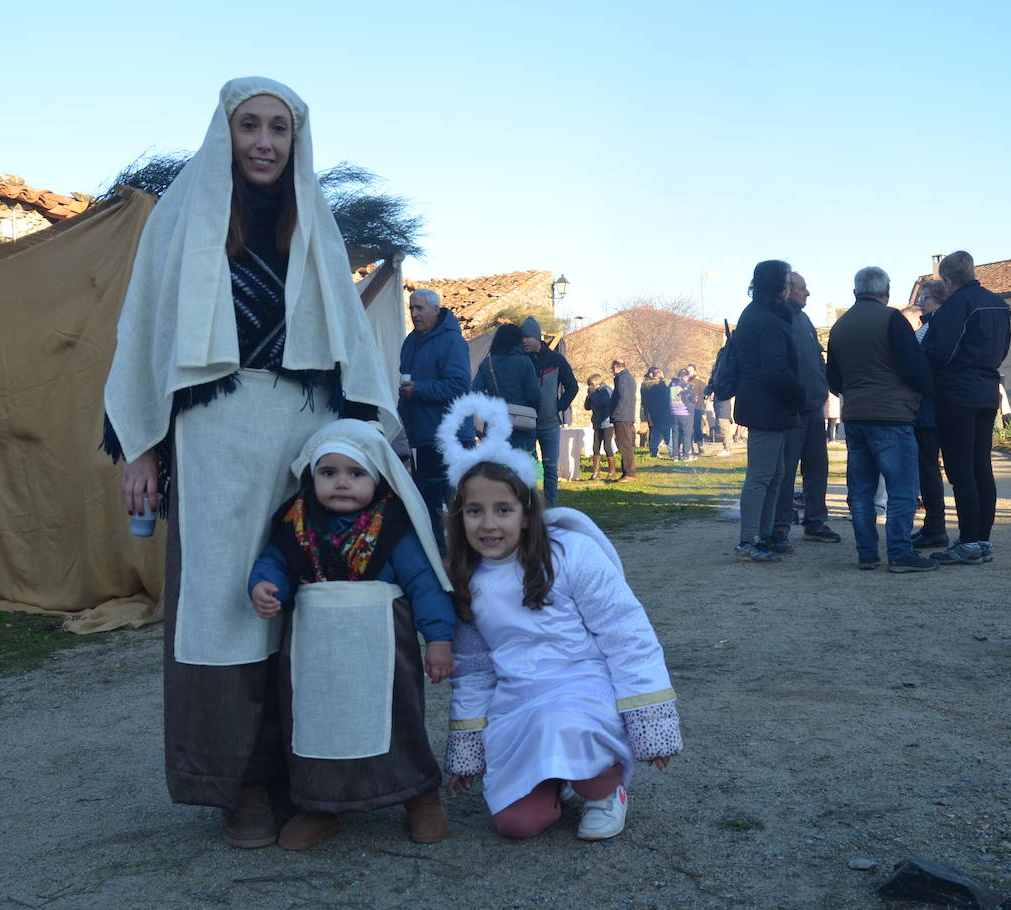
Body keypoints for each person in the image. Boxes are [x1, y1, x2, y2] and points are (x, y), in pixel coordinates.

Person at [102, 77, 400, 849]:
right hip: (213, 435)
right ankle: (241, 788)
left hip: (306, 433)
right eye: (249, 126)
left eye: (278, 128)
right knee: (226, 604)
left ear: (296, 140)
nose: (264, 141)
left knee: (310, 589)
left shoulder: (317, 225)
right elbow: (144, 333)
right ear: (225, 132)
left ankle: (316, 778)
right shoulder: (178, 220)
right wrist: (140, 444)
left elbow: (350, 345)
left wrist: (362, 433)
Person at [433, 394, 682, 841]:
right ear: (460, 516)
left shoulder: (571, 554)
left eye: (503, 510)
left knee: (565, 724)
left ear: (528, 514)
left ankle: (604, 789)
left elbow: (626, 635)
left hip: (581, 691)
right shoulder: (466, 575)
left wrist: (650, 723)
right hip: (518, 702)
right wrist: (468, 748)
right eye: (475, 511)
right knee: (516, 825)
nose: (488, 524)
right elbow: (472, 669)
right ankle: (556, 778)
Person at [246, 420, 454, 849]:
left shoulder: (394, 526)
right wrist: (264, 586)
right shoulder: (295, 522)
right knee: (315, 721)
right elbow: (276, 563)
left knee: (399, 718)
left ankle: (418, 794)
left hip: (383, 646)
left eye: (355, 473)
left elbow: (424, 583)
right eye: (329, 473)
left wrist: (438, 638)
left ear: (377, 477)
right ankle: (320, 804)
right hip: (315, 649)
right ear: (311, 476)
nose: (342, 483)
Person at [827, 267, 937, 572]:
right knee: (901, 489)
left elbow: (833, 380)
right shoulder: (892, 320)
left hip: (856, 416)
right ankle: (901, 553)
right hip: (892, 415)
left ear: (855, 291)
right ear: (886, 291)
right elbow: (915, 368)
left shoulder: (840, 327)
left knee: (861, 490)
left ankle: (867, 553)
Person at [922, 250, 1011, 565]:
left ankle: (969, 540)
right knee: (981, 467)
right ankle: (982, 539)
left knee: (961, 471)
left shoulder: (956, 305)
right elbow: (1004, 348)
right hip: (988, 389)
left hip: (957, 391)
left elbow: (940, 351)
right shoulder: (999, 304)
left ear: (947, 279)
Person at [732, 259, 805, 562]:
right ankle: (748, 541)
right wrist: (799, 393)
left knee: (775, 475)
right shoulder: (766, 319)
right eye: (788, 281)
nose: (791, 286)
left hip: (768, 405)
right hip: (768, 406)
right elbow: (775, 370)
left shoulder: (760, 314)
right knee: (762, 476)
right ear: (777, 284)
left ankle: (763, 536)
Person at [399, 288, 471, 554]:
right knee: (427, 506)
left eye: (419, 308)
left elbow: (460, 386)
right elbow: (404, 386)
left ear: (435, 309)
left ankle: (469, 561)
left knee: (459, 505)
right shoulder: (410, 342)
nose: (414, 313)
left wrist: (419, 389)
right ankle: (440, 564)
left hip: (451, 438)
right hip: (423, 438)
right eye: (411, 308)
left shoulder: (453, 342)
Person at [771, 272, 840, 547]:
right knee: (786, 472)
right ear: (787, 290)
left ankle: (815, 522)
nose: (808, 293)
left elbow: (815, 357)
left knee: (817, 468)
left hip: (814, 407)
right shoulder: (777, 318)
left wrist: (825, 382)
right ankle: (779, 528)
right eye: (803, 288)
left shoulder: (803, 318)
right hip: (790, 409)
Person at [519, 316, 579, 506]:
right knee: (527, 467)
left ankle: (550, 506)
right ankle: (531, 506)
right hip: (525, 424)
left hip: (549, 423)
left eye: (528, 337)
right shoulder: (519, 360)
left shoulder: (556, 359)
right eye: (522, 338)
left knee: (550, 467)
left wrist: (558, 407)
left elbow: (572, 386)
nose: (524, 341)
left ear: (538, 337)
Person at [909, 279, 949, 549]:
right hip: (930, 408)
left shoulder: (935, 328)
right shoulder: (930, 327)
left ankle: (936, 527)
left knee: (929, 470)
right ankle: (934, 525)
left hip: (930, 408)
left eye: (926, 298)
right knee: (929, 470)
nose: (920, 302)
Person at [471, 323, 538, 454]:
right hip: (522, 423)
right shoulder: (525, 362)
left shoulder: (487, 363)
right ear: (517, 341)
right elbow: (534, 395)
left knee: (497, 469)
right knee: (522, 467)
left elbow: (475, 392)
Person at [608, 359, 639, 481]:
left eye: (612, 368)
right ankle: (627, 472)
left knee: (624, 445)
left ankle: (629, 473)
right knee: (626, 444)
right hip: (627, 415)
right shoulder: (628, 377)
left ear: (616, 367)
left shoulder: (622, 378)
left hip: (622, 416)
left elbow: (623, 397)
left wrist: (616, 413)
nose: (611, 371)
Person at [583, 374, 616, 480]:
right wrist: (588, 396)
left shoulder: (606, 390)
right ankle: (596, 472)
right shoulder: (594, 393)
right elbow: (587, 407)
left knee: (607, 446)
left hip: (607, 423)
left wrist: (593, 395)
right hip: (597, 423)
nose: (589, 387)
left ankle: (612, 471)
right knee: (595, 447)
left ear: (596, 383)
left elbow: (602, 403)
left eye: (591, 384)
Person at [640, 367, 672, 458]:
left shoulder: (646, 386)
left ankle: (653, 452)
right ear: (660, 377)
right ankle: (673, 452)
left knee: (655, 433)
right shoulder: (661, 386)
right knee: (667, 434)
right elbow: (667, 399)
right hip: (663, 413)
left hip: (652, 413)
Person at [667, 369, 695, 461]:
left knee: (675, 434)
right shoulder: (687, 386)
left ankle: (676, 455)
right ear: (685, 376)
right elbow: (694, 399)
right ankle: (686, 455)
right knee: (687, 434)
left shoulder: (671, 385)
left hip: (673, 413)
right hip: (685, 413)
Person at [686, 363, 709, 456]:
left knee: (697, 428)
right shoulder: (685, 381)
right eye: (688, 371)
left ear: (695, 371)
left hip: (697, 408)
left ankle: (700, 447)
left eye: (691, 371)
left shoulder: (700, 381)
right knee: (689, 429)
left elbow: (705, 394)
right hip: (687, 410)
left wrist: (702, 405)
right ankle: (689, 448)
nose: (689, 373)